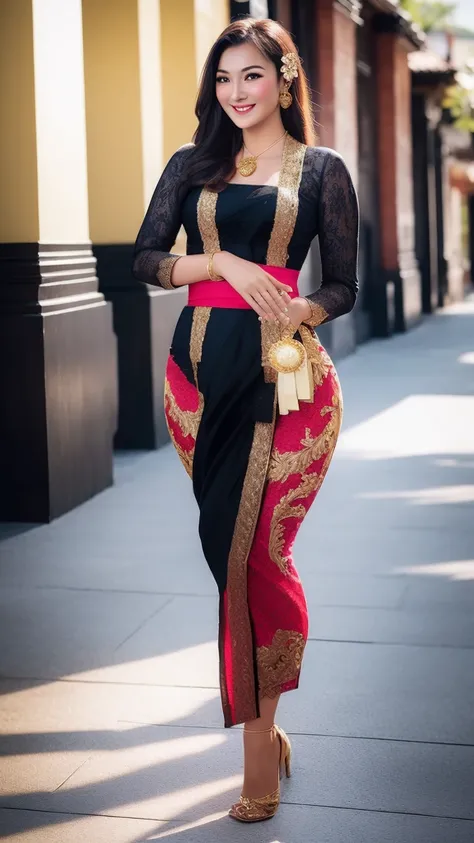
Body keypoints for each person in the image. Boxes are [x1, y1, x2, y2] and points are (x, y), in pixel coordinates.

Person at [133, 16, 359, 824]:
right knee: (225, 550)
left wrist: (303, 302)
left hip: (288, 382)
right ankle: (269, 717)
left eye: (251, 76)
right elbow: (145, 258)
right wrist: (222, 259)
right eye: (224, 79)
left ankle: (258, 743)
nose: (235, 93)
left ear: (285, 79)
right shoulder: (190, 167)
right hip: (197, 380)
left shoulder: (323, 170)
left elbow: (345, 287)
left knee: (254, 552)